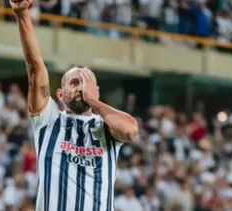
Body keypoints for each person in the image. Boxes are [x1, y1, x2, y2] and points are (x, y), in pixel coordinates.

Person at [8, 0, 139, 210]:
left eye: (87, 84)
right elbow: (35, 68)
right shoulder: (48, 119)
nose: (80, 89)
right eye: (74, 82)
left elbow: (131, 130)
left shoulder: (106, 128)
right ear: (60, 94)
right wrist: (22, 14)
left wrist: (94, 102)